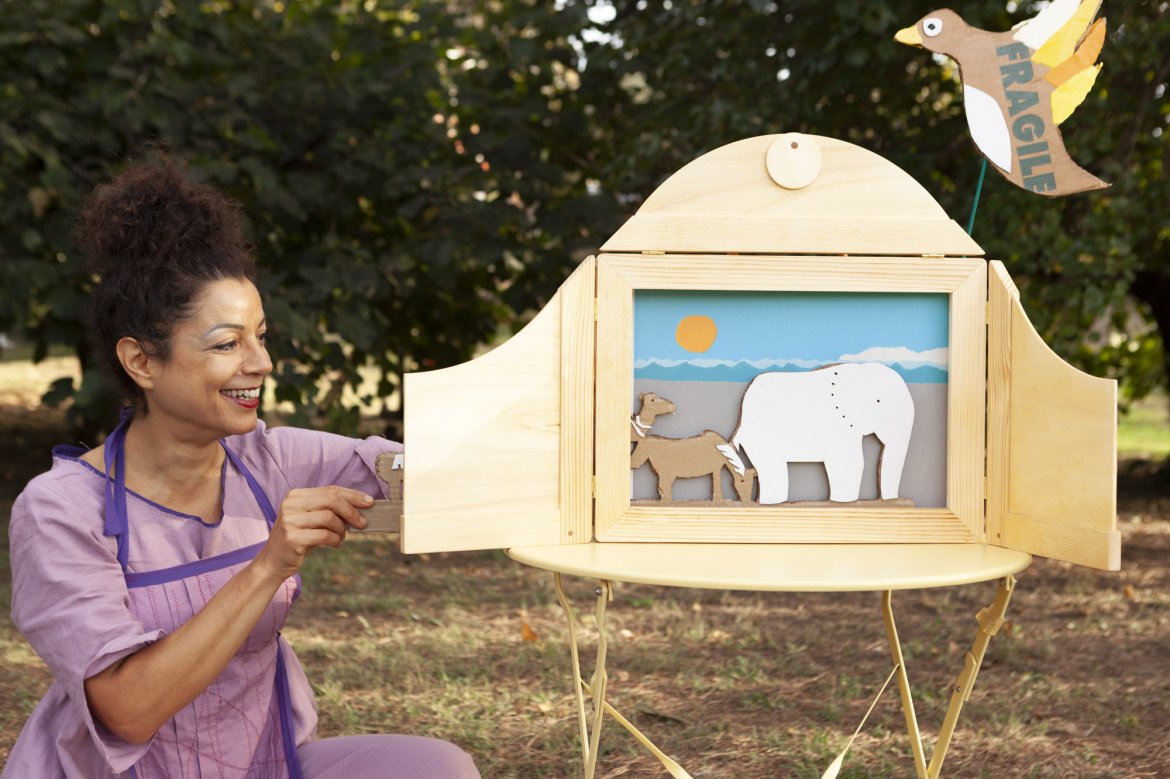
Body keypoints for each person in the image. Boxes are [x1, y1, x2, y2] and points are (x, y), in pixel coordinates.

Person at [3, 152, 481, 778]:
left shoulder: (271, 460)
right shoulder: (60, 509)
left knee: (437, 769)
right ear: (142, 362)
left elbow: (438, 480)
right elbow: (126, 710)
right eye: (228, 343)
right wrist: (269, 564)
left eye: (261, 336)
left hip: (264, 764)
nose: (260, 363)